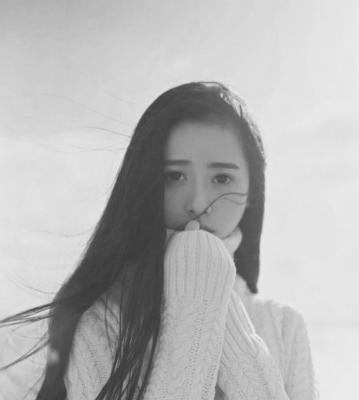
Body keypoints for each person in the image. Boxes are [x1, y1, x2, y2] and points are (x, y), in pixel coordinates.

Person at [0, 81, 318, 400]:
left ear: (252, 193)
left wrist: (219, 302)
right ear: (146, 185)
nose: (197, 202)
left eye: (222, 178)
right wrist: (195, 307)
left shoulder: (284, 326)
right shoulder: (101, 322)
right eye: (174, 176)